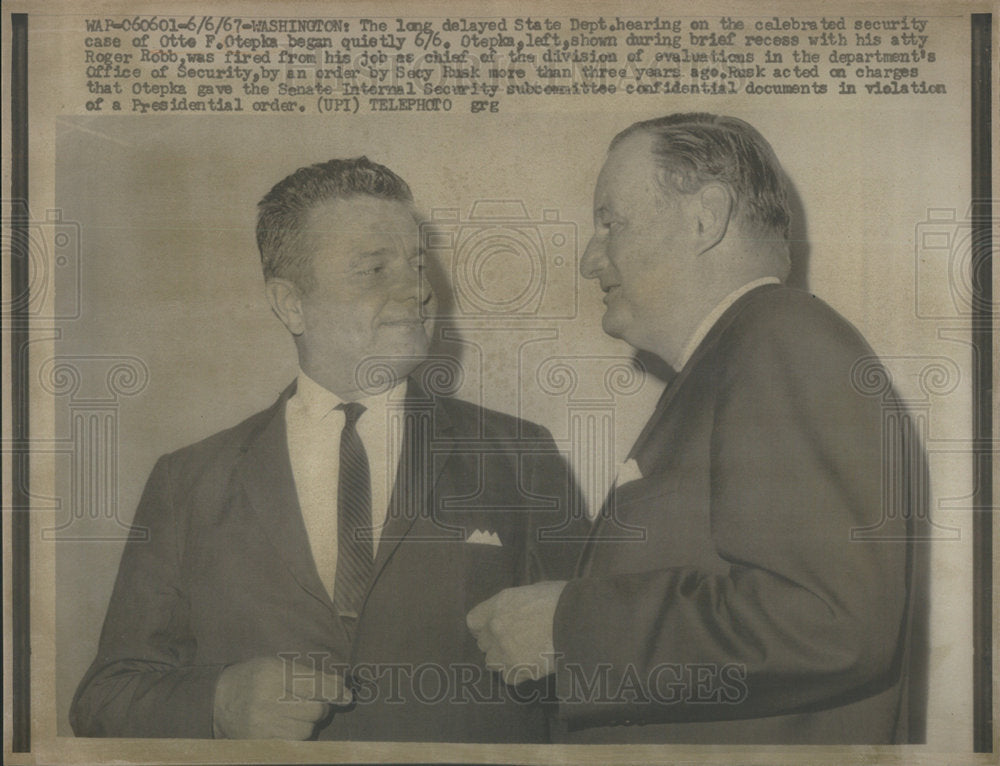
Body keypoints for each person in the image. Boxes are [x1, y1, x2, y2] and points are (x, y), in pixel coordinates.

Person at [71, 157, 581, 742]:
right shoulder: (187, 480)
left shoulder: (521, 455)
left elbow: (591, 670)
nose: (418, 289)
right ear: (291, 303)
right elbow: (104, 698)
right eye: (373, 269)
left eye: (417, 264)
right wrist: (219, 702)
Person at [467, 113, 923, 744]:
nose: (589, 258)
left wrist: (567, 627)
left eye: (610, 222)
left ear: (706, 217)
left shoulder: (780, 339)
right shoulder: (735, 357)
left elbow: (828, 622)